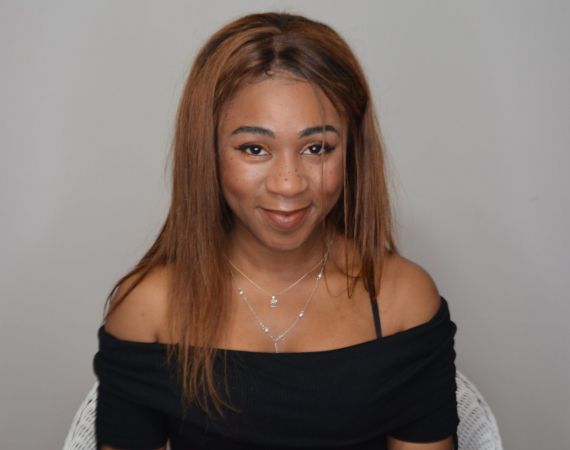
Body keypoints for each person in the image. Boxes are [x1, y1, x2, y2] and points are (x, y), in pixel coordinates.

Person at [93, 11, 460, 450]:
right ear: (207, 152)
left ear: (352, 153)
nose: (289, 183)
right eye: (254, 148)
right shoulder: (148, 308)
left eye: (316, 148)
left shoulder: (401, 299)